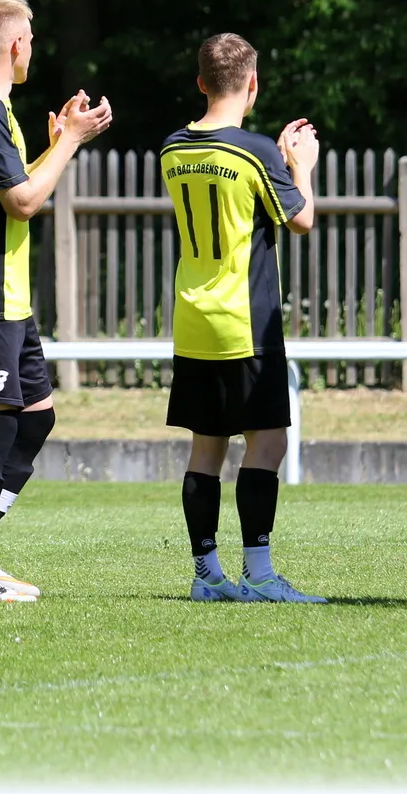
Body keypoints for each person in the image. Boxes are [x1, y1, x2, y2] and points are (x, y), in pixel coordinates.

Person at [0, 0, 111, 602]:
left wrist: (57, 141)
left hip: (8, 296)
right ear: (14, 44)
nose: (32, 50)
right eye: (30, 40)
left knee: (36, 417)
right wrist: (71, 142)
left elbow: (11, 189)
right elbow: (24, 203)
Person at [161, 33, 324, 603]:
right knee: (268, 443)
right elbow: (300, 219)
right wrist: (300, 166)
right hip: (245, 319)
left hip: (193, 316)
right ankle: (259, 573)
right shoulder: (254, 151)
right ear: (253, 83)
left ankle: (207, 575)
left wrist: (272, 160)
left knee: (206, 449)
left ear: (200, 83)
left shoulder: (172, 147)